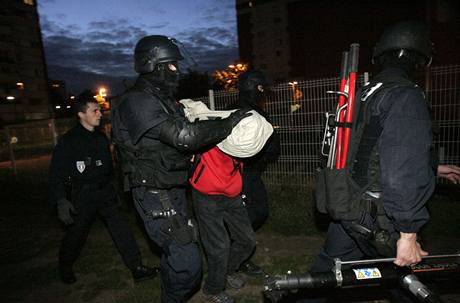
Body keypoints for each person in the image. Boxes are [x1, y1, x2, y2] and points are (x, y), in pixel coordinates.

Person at [302, 20, 460, 302]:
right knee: (411, 284)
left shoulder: (363, 92)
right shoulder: (405, 96)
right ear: (420, 57)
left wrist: (432, 168)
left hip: (349, 205)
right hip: (379, 215)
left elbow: (367, 152)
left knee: (325, 275)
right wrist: (408, 233)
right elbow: (401, 172)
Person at [110, 35, 251, 302]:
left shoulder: (161, 99)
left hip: (172, 187)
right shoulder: (137, 101)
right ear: (152, 64)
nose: (176, 70)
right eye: (171, 65)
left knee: (179, 252)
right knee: (187, 264)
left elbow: (190, 131)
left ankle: (170, 292)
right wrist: (229, 123)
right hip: (153, 191)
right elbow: (184, 137)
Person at [49, 92, 157, 284]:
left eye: (99, 110)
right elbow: (56, 173)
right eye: (95, 110)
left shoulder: (100, 138)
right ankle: (65, 266)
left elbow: (108, 168)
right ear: (81, 115)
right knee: (76, 235)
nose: (100, 114)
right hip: (82, 196)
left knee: (121, 230)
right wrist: (61, 201)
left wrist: (115, 189)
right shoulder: (69, 141)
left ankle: (136, 268)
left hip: (104, 193)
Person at [227, 70, 280, 276]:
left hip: (252, 173)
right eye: (262, 90)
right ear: (256, 88)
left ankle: (238, 251)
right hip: (241, 175)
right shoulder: (239, 111)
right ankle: (235, 259)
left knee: (257, 213)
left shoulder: (251, 110)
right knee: (250, 215)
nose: (264, 94)